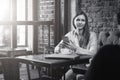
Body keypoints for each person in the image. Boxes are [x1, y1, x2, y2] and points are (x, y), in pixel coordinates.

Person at [54, 11, 97, 80]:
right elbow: (56, 48)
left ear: (86, 23)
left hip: (89, 68)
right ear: (74, 21)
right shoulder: (69, 34)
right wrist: (63, 49)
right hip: (75, 68)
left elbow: (93, 53)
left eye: (83, 20)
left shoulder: (92, 35)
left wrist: (76, 49)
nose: (80, 22)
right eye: (77, 20)